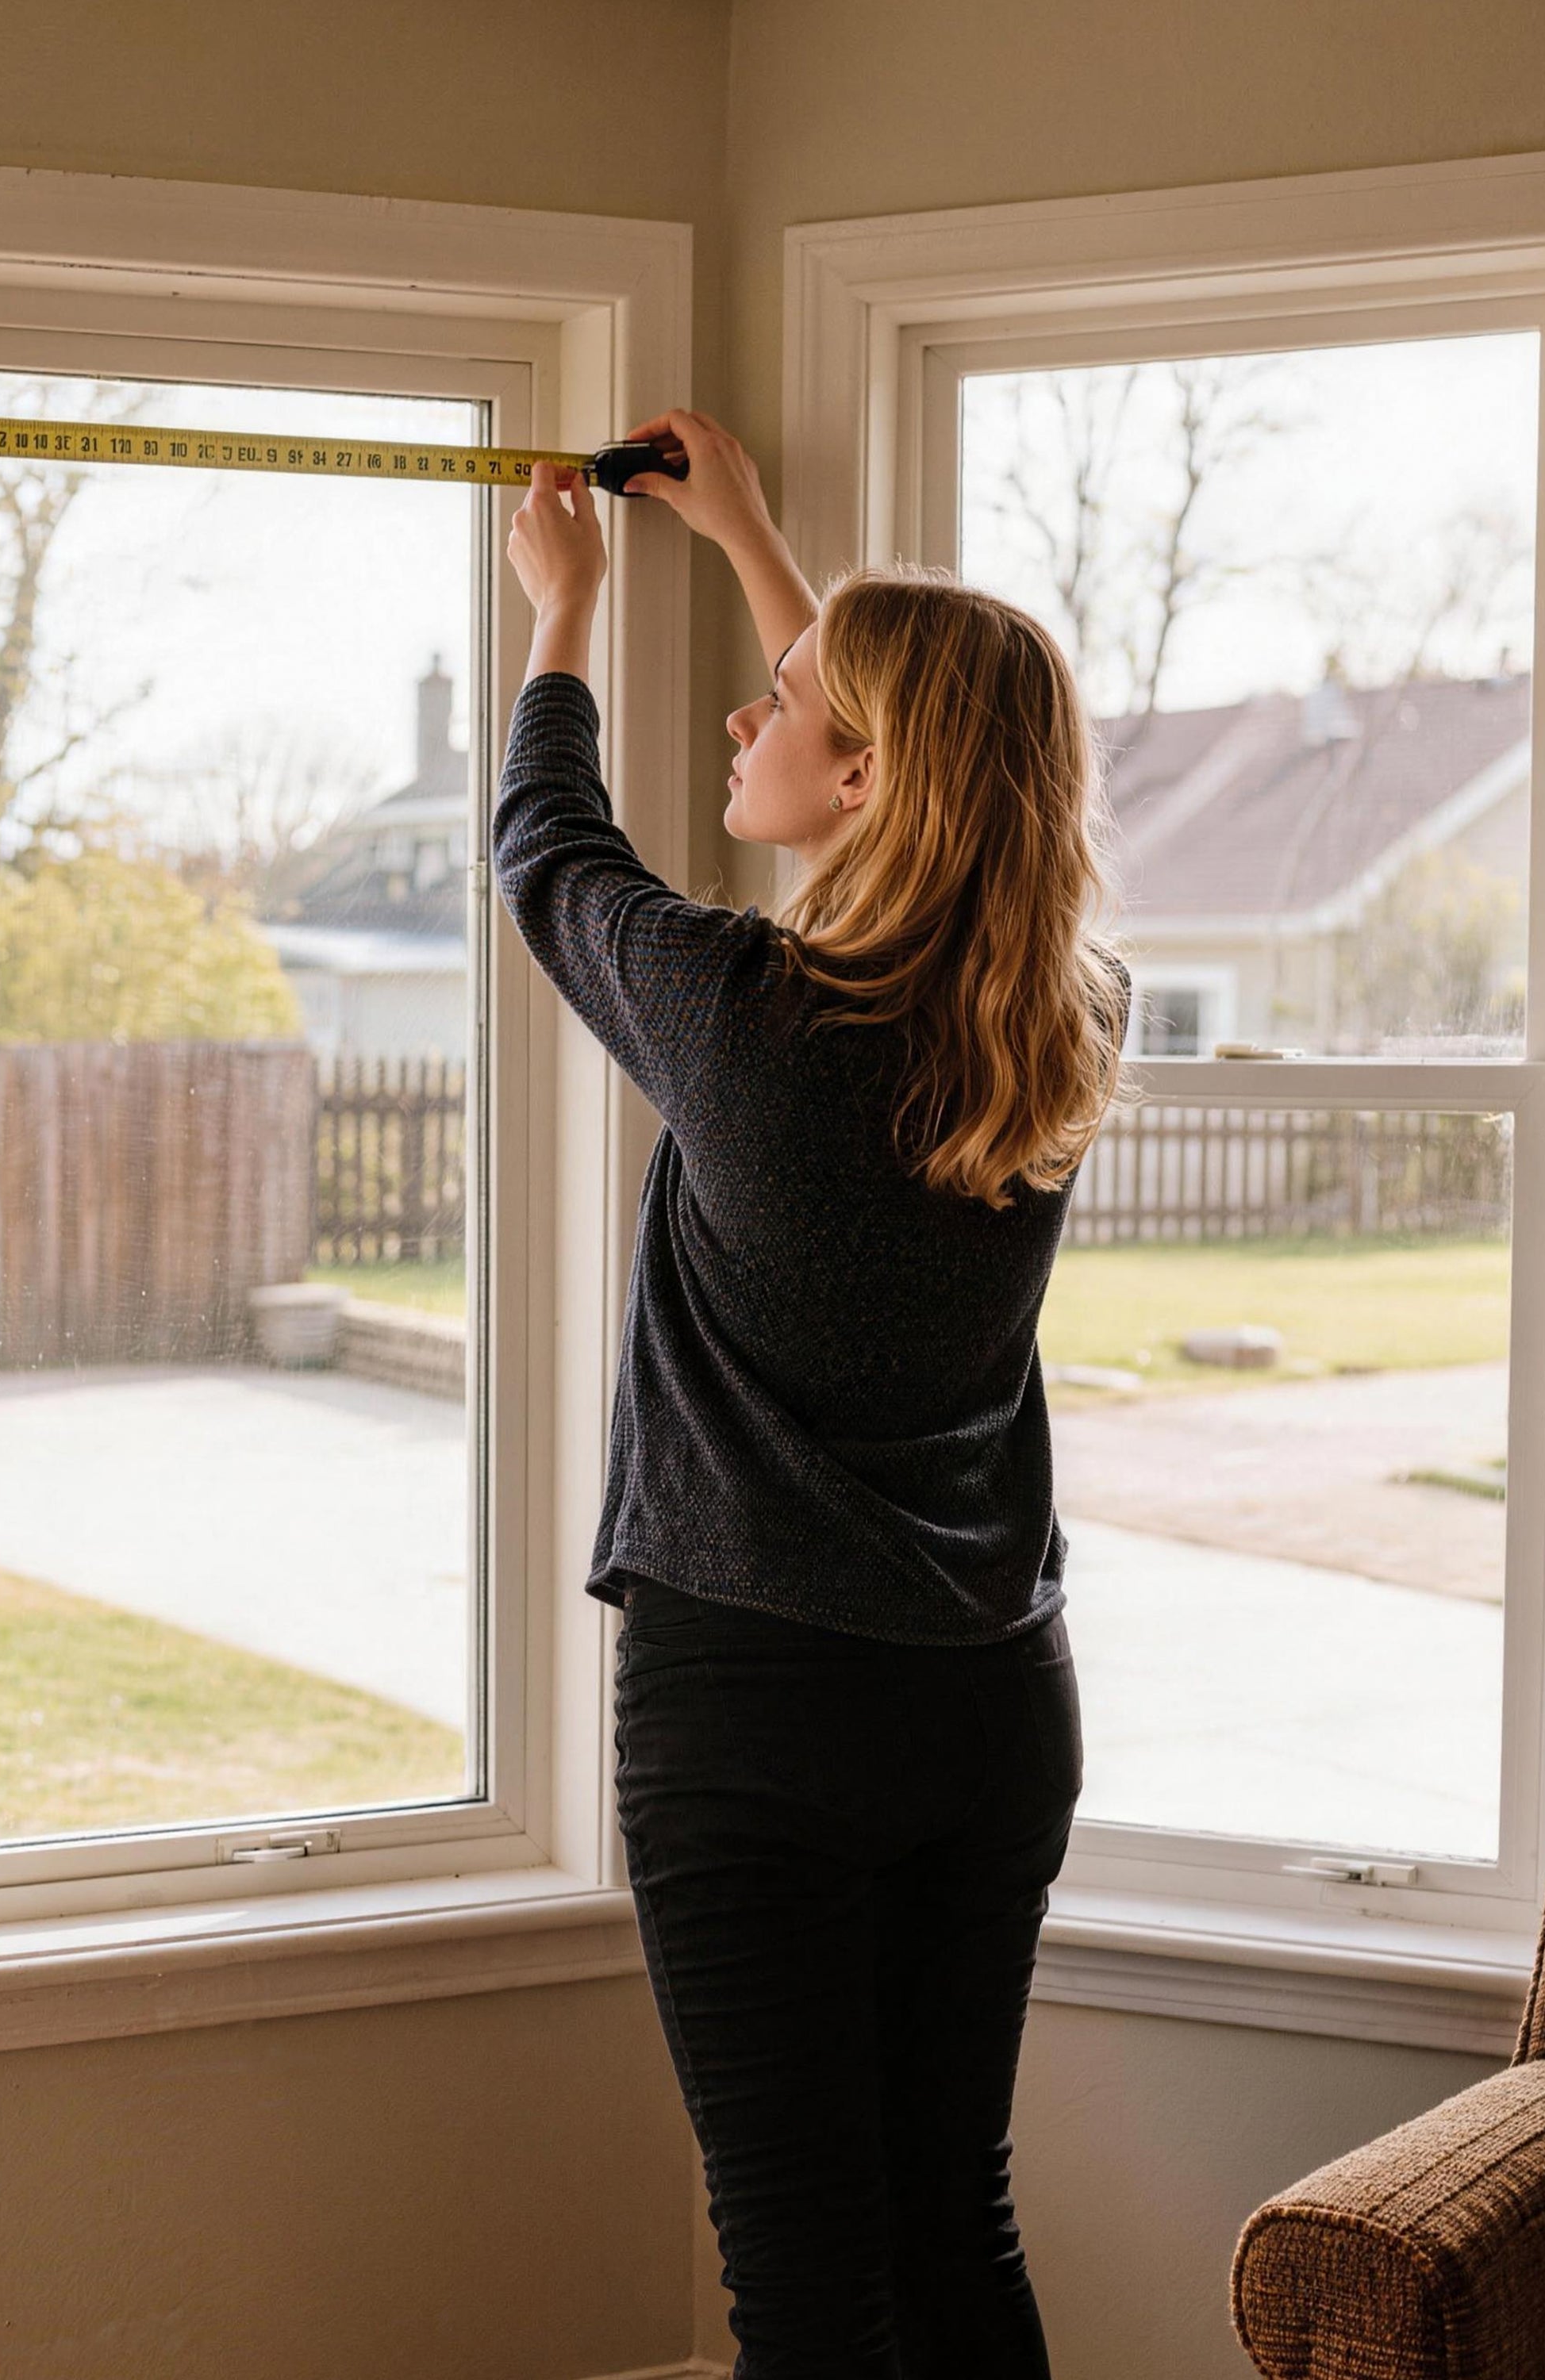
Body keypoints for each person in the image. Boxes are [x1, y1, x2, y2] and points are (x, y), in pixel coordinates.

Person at [494, 413, 1125, 2379]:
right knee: (952, 2218)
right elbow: (910, 769)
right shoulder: (1058, 1019)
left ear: (859, 772)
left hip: (760, 1714)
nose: (749, 719)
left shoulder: (743, 1020)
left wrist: (567, 616)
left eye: (783, 703)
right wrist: (759, 546)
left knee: (805, 2278)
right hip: (990, 1709)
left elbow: (544, 851)